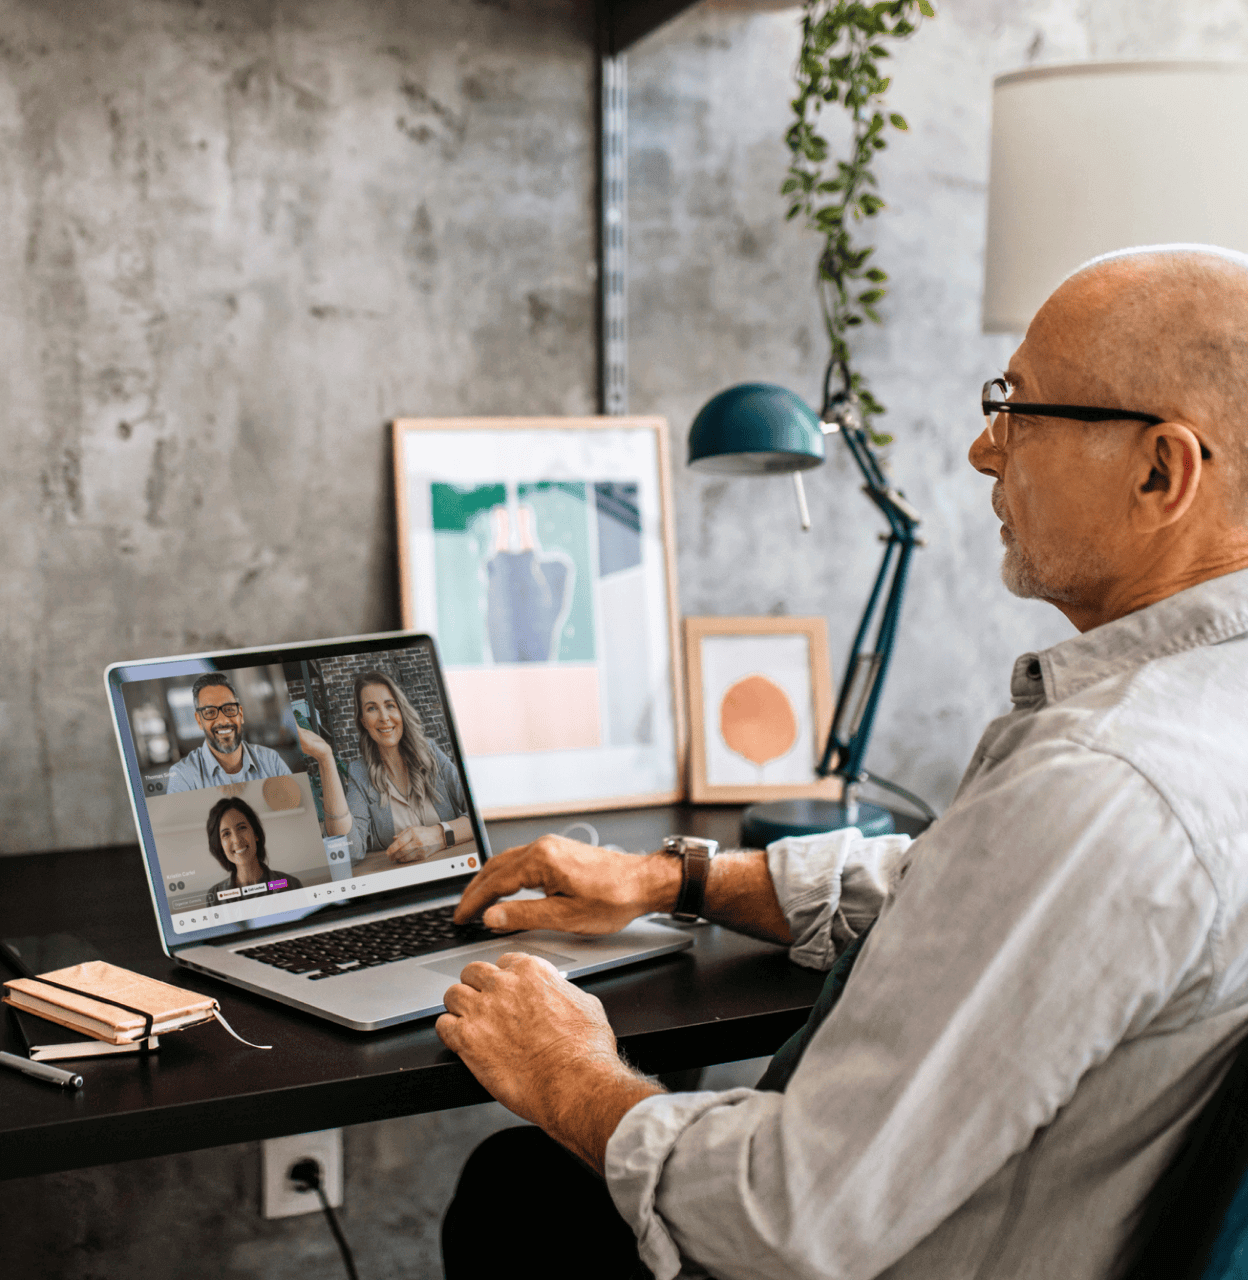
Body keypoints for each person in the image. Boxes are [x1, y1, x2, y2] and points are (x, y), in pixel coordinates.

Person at [437, 245, 1248, 1280]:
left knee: (522, 1191)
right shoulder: (1187, 730)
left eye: (1019, 409)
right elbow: (977, 899)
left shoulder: (1100, 782)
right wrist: (680, 876)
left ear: (1159, 472)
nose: (982, 449)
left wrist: (573, 1072)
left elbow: (792, 1215)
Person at [166, 674, 352, 839]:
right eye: (210, 713)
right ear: (199, 720)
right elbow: (183, 842)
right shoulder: (182, 776)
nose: (222, 720)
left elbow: (300, 820)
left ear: (241, 714)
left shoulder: (271, 760)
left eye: (229, 709)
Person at [344, 671, 473, 864]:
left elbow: (477, 813)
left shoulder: (432, 754)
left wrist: (438, 836)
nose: (384, 717)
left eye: (390, 706)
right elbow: (351, 852)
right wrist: (326, 760)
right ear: (363, 721)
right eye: (372, 709)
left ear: (401, 711)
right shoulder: (358, 773)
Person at [203, 796, 303, 905]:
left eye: (241, 828)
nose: (236, 839)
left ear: (255, 833)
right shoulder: (215, 898)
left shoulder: (291, 886)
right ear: (220, 845)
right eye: (226, 834)